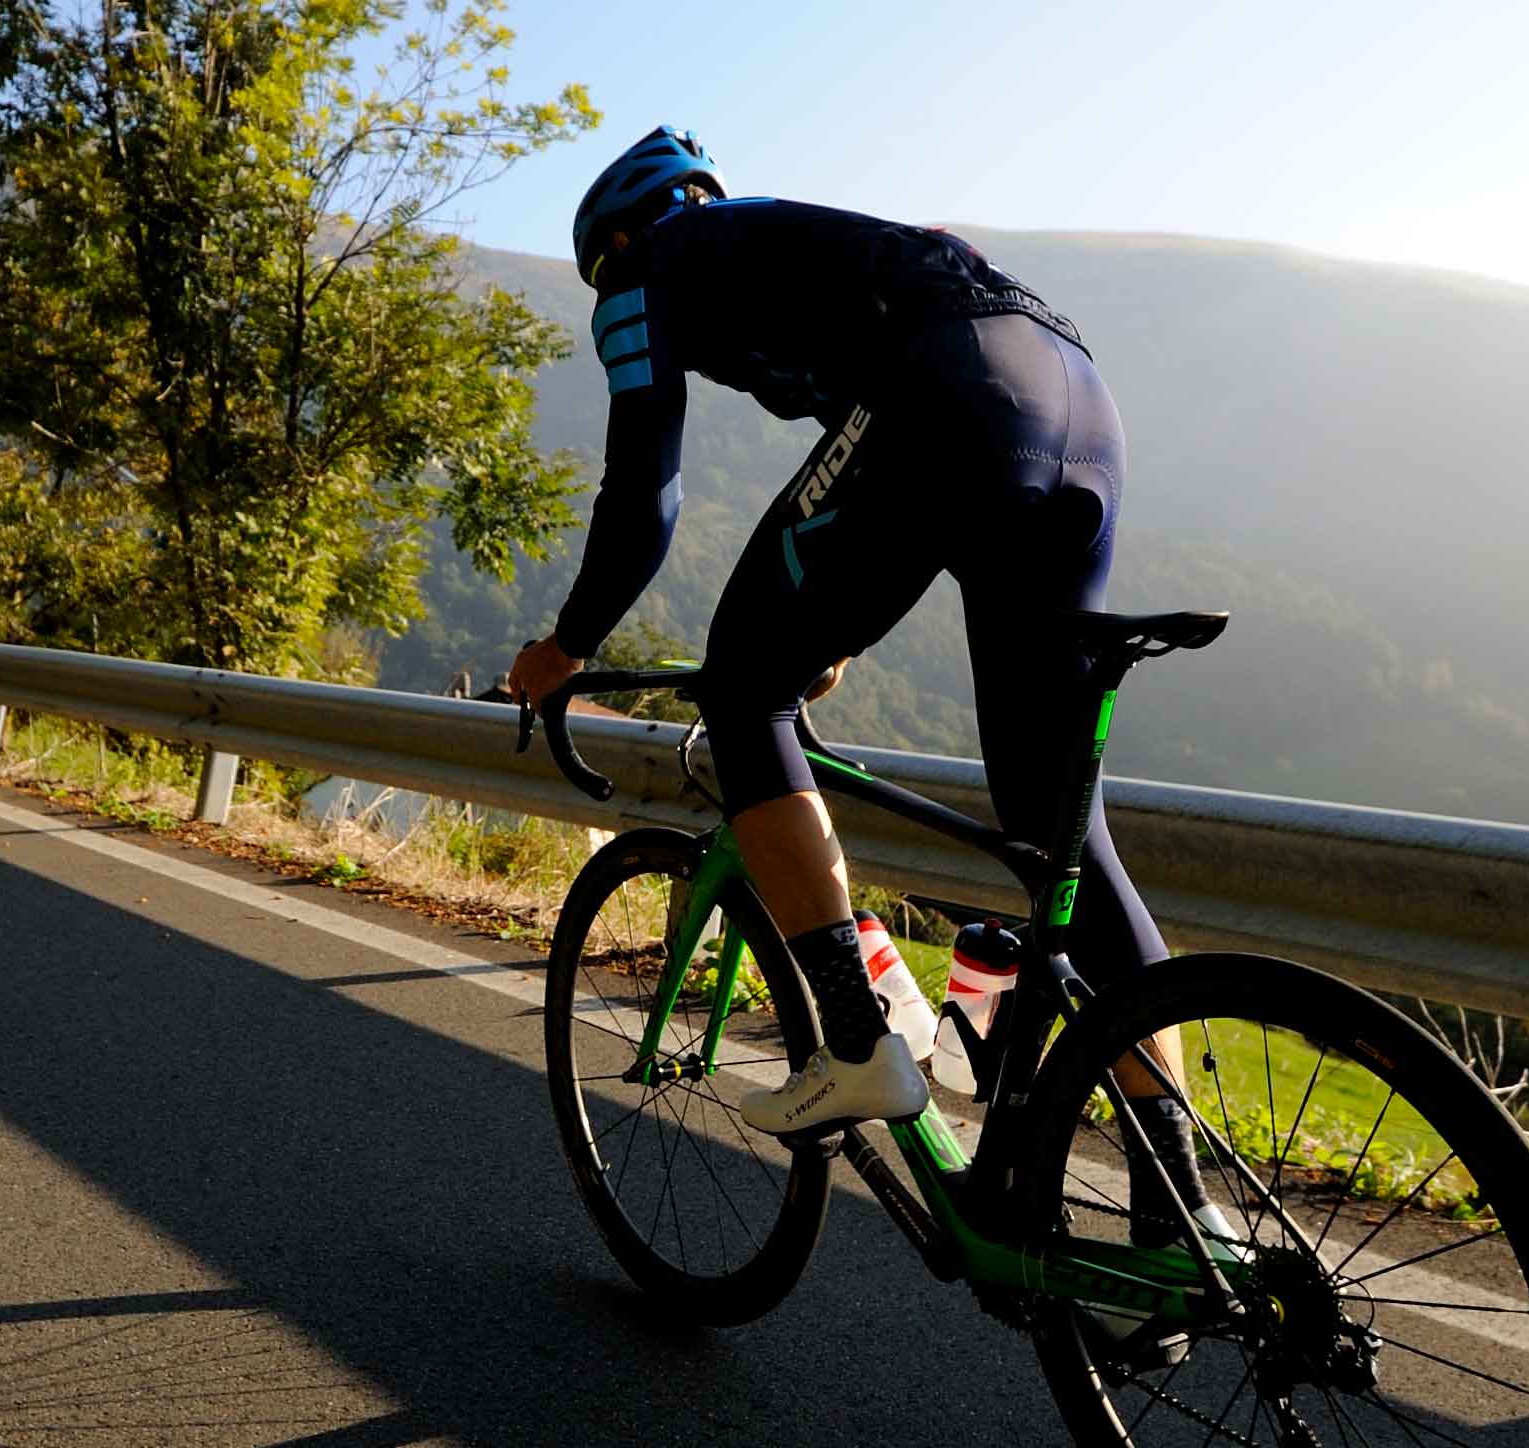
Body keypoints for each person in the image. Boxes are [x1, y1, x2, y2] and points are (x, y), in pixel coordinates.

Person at [508, 129, 1205, 1223]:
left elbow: (645, 490)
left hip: (947, 394)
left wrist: (568, 646)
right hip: (1077, 404)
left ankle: (853, 1035)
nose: (614, 297)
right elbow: (887, 496)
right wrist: (828, 632)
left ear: (620, 239)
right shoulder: (813, 248)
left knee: (741, 688)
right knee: (1056, 821)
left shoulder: (646, 268)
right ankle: (1180, 1205)